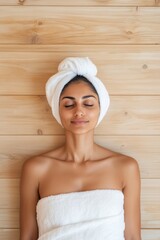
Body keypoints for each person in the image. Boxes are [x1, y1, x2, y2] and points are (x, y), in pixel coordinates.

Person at [20, 57, 141, 240]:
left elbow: (132, 236)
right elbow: (27, 236)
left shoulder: (125, 167)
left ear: (100, 108)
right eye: (68, 104)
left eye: (88, 103)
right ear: (57, 110)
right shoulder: (36, 169)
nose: (79, 111)